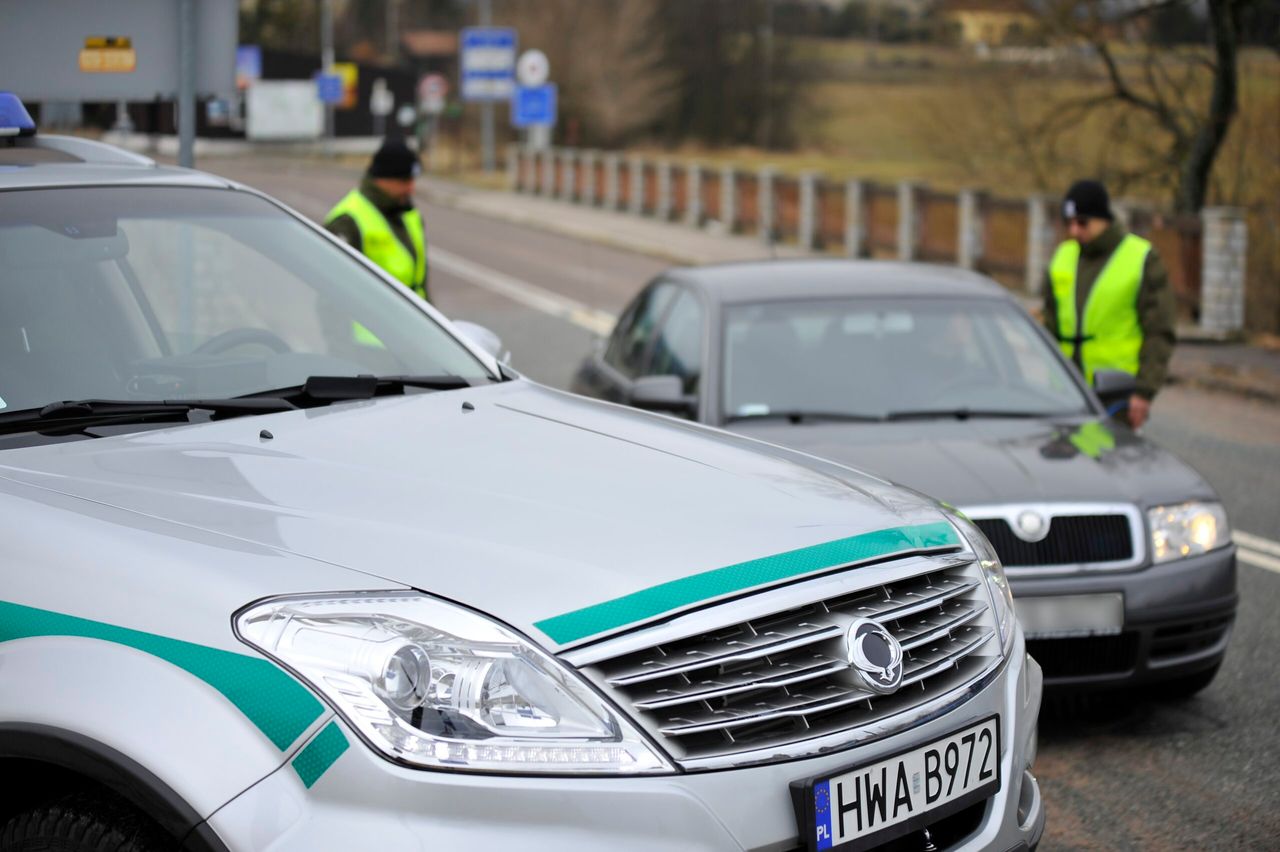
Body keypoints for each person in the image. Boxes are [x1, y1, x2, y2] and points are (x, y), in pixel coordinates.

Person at [1043, 179, 1176, 430]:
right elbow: (1050, 325)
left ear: (1103, 218)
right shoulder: (1063, 256)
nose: (1074, 231)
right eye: (1068, 223)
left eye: (1082, 222)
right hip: (1064, 392)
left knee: (1107, 465)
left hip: (1116, 395)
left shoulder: (1140, 258)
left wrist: (1144, 391)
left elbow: (1160, 331)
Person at [325, 137, 429, 302]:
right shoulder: (347, 221)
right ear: (382, 178)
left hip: (412, 324)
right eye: (404, 180)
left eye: (412, 180)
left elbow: (420, 284)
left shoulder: (408, 214)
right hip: (373, 326)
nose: (411, 188)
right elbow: (330, 295)